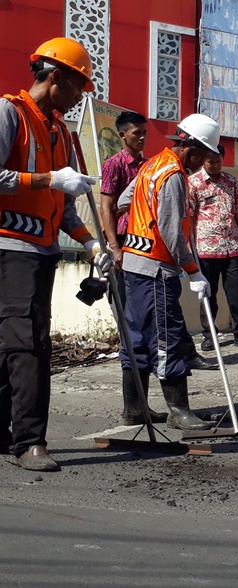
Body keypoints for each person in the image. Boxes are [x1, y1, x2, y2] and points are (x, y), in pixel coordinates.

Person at [0, 38, 110, 471]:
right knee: (28, 345)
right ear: (55, 77)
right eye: (80, 86)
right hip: (9, 247)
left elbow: (62, 207)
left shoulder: (59, 129)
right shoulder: (10, 113)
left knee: (12, 343)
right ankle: (30, 443)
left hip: (41, 251)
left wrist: (90, 242)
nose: (83, 96)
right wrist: (48, 178)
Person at [118, 114, 223, 432]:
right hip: (155, 271)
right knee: (168, 338)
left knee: (136, 340)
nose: (202, 162)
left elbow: (124, 201)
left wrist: (142, 216)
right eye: (204, 155)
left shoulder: (152, 165)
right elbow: (171, 231)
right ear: (191, 148)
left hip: (133, 264)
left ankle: (134, 408)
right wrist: (193, 272)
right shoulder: (174, 174)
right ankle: (179, 411)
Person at [188, 144, 238, 349]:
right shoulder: (193, 183)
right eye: (210, 161)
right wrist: (188, 245)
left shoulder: (231, 181)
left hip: (233, 246)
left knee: (237, 294)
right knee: (208, 295)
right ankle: (209, 335)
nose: (214, 165)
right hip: (206, 248)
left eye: (218, 161)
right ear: (203, 160)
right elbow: (189, 216)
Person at [100, 110, 148, 268]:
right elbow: (106, 206)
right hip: (123, 235)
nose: (142, 138)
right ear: (122, 135)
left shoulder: (149, 165)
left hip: (145, 234)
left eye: (144, 133)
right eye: (136, 133)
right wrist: (115, 247)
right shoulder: (114, 164)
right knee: (123, 290)